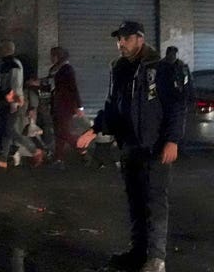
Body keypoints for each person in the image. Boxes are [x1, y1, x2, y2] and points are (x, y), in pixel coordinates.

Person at [77, 21, 188, 272]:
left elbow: (176, 106)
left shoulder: (160, 67)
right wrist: (94, 130)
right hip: (129, 145)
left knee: (155, 201)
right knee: (136, 201)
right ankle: (138, 253)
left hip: (155, 146)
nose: (121, 44)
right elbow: (112, 106)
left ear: (140, 39)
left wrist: (172, 140)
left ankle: (156, 258)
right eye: (118, 39)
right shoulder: (119, 69)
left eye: (126, 39)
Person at [0, 40, 44, 169]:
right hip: (5, 101)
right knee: (6, 131)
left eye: (1, 48)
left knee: (10, 130)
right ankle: (2, 160)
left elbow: (15, 85)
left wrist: (14, 103)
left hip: (12, 103)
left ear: (6, 49)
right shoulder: (6, 64)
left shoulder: (13, 64)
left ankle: (35, 150)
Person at [47, 46, 83, 168]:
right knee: (59, 132)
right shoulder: (55, 70)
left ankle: (81, 147)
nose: (51, 58)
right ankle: (59, 158)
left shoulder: (67, 69)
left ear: (58, 56)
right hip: (57, 104)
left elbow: (73, 88)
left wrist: (79, 106)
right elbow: (51, 86)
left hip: (65, 106)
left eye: (52, 56)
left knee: (63, 132)